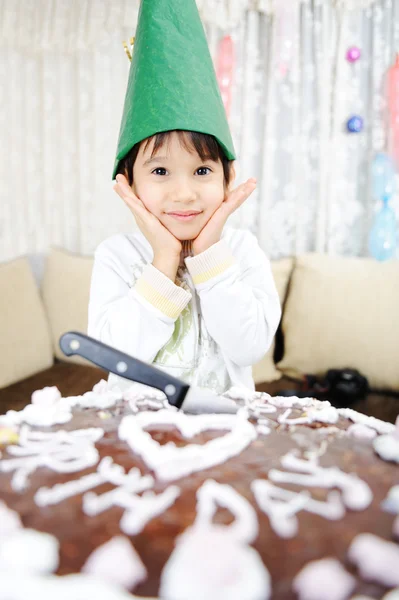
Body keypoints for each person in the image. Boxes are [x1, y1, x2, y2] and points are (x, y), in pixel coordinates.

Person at [88, 0, 281, 395]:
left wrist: (208, 256)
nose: (184, 193)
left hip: (224, 432)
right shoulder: (116, 257)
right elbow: (115, 357)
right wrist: (163, 260)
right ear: (129, 182)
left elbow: (249, 348)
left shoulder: (242, 251)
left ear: (228, 178)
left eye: (202, 170)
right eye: (160, 171)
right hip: (137, 432)